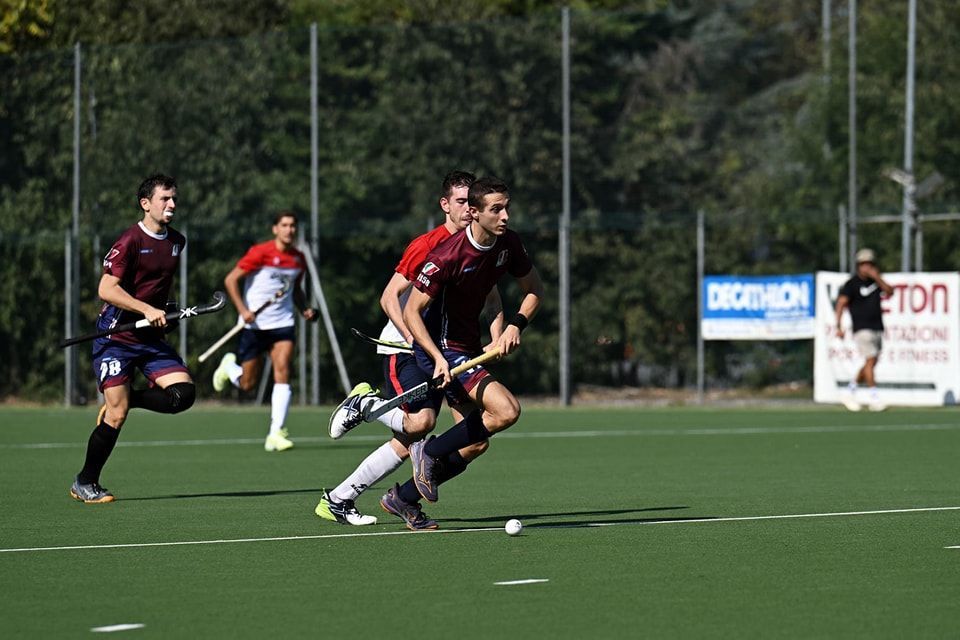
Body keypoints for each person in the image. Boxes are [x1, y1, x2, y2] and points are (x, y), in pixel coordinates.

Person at [339, 176, 543, 530]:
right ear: (475, 213)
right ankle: (427, 451)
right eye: (497, 209)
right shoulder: (446, 255)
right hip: (442, 348)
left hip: (467, 347)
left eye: (507, 208)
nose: (506, 216)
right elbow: (410, 311)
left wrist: (512, 327)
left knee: (475, 443)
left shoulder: (507, 244)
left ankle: (403, 497)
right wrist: (436, 358)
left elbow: (533, 289)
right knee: (506, 410)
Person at [71, 174, 196, 504]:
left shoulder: (177, 241)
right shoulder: (129, 241)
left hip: (150, 338)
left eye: (174, 198)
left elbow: (158, 283)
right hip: (116, 338)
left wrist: (168, 309)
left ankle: (132, 398)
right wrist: (145, 308)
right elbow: (106, 289)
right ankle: (85, 482)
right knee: (117, 416)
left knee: (183, 395)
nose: (172, 204)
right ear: (145, 204)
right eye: (164, 199)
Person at [212, 211, 317, 451]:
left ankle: (275, 433)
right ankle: (230, 368)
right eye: (284, 225)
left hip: (283, 324)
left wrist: (304, 309)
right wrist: (243, 310)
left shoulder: (298, 259)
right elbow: (230, 280)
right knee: (247, 384)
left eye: (293, 225)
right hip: (255, 326)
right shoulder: (260, 252)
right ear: (275, 229)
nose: (289, 230)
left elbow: (295, 290)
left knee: (283, 370)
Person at [834, 247, 893, 412]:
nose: (867, 267)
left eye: (869, 264)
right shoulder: (852, 284)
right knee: (870, 359)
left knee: (871, 362)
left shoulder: (876, 282)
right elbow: (841, 303)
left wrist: (877, 277)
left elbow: (890, 292)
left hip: (877, 326)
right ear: (858, 266)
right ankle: (874, 397)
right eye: (863, 264)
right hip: (861, 327)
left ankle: (850, 390)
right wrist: (838, 326)